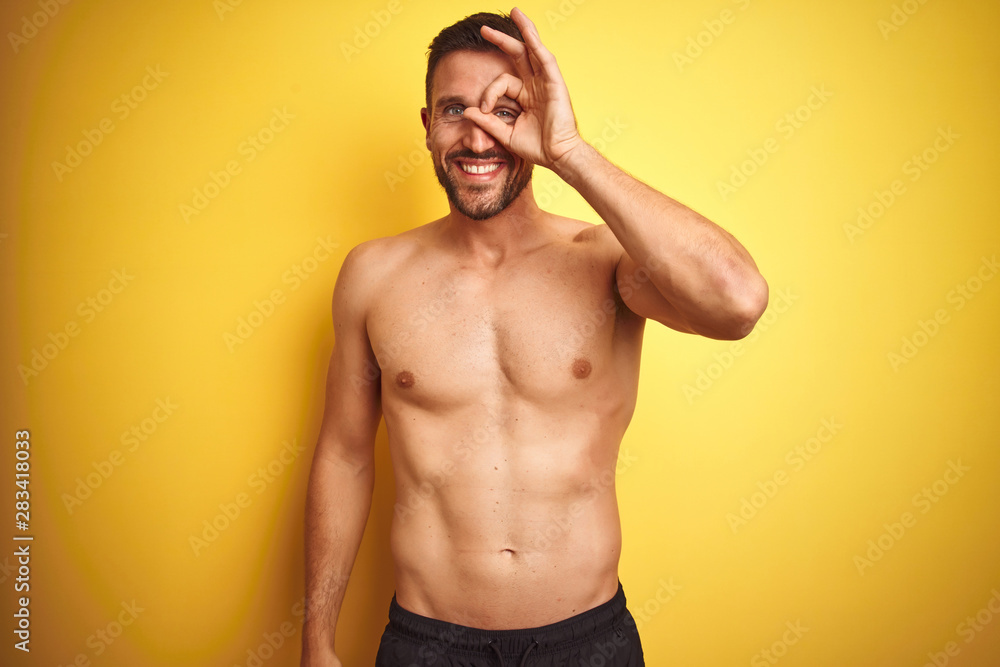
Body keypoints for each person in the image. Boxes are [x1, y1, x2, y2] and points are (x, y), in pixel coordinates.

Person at [301, 7, 768, 666]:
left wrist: (570, 153)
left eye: (506, 110)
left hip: (587, 640)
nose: (479, 134)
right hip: (426, 642)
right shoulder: (373, 276)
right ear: (428, 126)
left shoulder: (606, 261)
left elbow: (739, 301)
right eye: (455, 109)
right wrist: (316, 639)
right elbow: (344, 456)